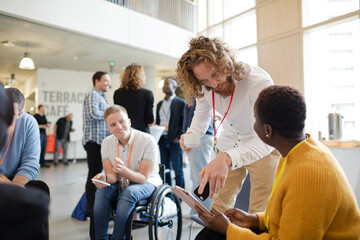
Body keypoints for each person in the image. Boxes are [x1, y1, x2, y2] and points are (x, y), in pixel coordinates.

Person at [194, 85, 360, 240]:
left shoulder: (308, 174)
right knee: (209, 234)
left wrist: (229, 230)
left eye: (255, 119)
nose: (253, 125)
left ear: (267, 130)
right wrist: (255, 220)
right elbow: (290, 213)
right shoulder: (298, 151)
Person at [176, 36, 280, 213]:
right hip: (229, 142)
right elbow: (201, 116)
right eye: (205, 80)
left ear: (226, 63)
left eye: (215, 74)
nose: (214, 84)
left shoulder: (258, 82)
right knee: (218, 208)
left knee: (261, 212)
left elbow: (269, 137)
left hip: (262, 145)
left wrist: (226, 158)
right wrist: (190, 136)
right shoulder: (204, 86)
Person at [92, 105, 162, 240]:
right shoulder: (106, 143)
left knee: (129, 192)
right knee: (101, 192)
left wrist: (123, 170)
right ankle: (100, 238)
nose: (118, 127)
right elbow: (112, 177)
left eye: (122, 121)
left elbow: (142, 178)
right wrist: (104, 178)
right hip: (119, 181)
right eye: (113, 124)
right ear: (109, 128)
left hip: (147, 181)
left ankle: (118, 238)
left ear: (129, 121)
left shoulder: (147, 140)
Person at [0, 87, 50, 239]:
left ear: (20, 114)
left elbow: (30, 162)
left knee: (40, 190)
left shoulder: (28, 123)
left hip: (15, 179)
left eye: (10, 113)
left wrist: (15, 189)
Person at [83, 71, 111, 239]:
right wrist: (111, 116)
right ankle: (91, 210)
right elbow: (94, 114)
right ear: (97, 81)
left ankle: (94, 209)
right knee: (93, 176)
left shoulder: (102, 96)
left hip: (100, 142)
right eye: (106, 80)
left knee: (96, 175)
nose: (108, 83)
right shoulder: (93, 95)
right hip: (93, 141)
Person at [183, 97, 214, 212]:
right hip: (198, 136)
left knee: (201, 177)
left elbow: (192, 119)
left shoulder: (198, 95)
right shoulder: (195, 95)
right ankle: (195, 210)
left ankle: (205, 212)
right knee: (195, 176)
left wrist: (187, 136)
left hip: (200, 136)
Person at [156, 77, 186, 188]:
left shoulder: (180, 102)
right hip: (162, 139)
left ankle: (180, 196)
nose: (165, 86)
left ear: (174, 86)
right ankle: (167, 195)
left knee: (178, 169)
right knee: (164, 169)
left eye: (167, 84)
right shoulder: (159, 104)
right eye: (164, 84)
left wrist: (178, 136)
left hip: (175, 140)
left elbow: (184, 121)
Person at [113, 63, 154, 133]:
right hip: (142, 134)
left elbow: (117, 116)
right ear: (141, 76)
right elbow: (149, 121)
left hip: (124, 133)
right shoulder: (147, 94)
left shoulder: (117, 93)